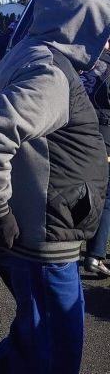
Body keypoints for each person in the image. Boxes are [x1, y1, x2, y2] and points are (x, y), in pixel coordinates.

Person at [0, 0, 110, 374]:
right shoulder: (51, 72)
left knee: (28, 351)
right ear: (80, 25)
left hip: (35, 234)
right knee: (53, 358)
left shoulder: (22, 56)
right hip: (42, 245)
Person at [79, 42, 110, 277]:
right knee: (106, 197)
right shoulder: (106, 67)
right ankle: (95, 254)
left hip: (80, 132)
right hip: (105, 135)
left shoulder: (83, 63)